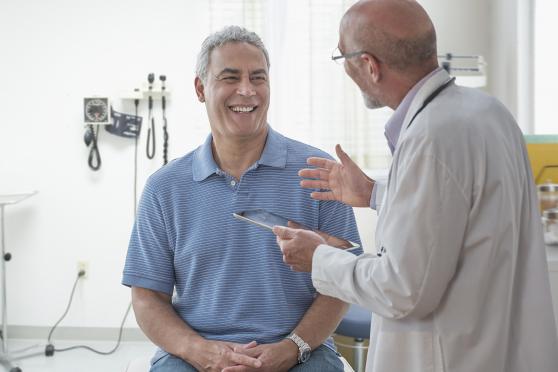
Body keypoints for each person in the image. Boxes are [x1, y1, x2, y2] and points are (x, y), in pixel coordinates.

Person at [273, 1, 558, 371]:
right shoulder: (488, 113)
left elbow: (403, 290)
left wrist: (318, 259)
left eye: (341, 56)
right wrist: (374, 194)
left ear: (369, 66)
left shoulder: (431, 138)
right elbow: (461, 216)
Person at [122, 25, 361, 372]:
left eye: (258, 78)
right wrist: (200, 352)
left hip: (298, 351)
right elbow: (146, 297)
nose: (246, 91)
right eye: (230, 78)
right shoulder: (165, 187)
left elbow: (341, 282)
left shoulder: (318, 173)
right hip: (195, 355)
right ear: (201, 88)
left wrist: (290, 349)